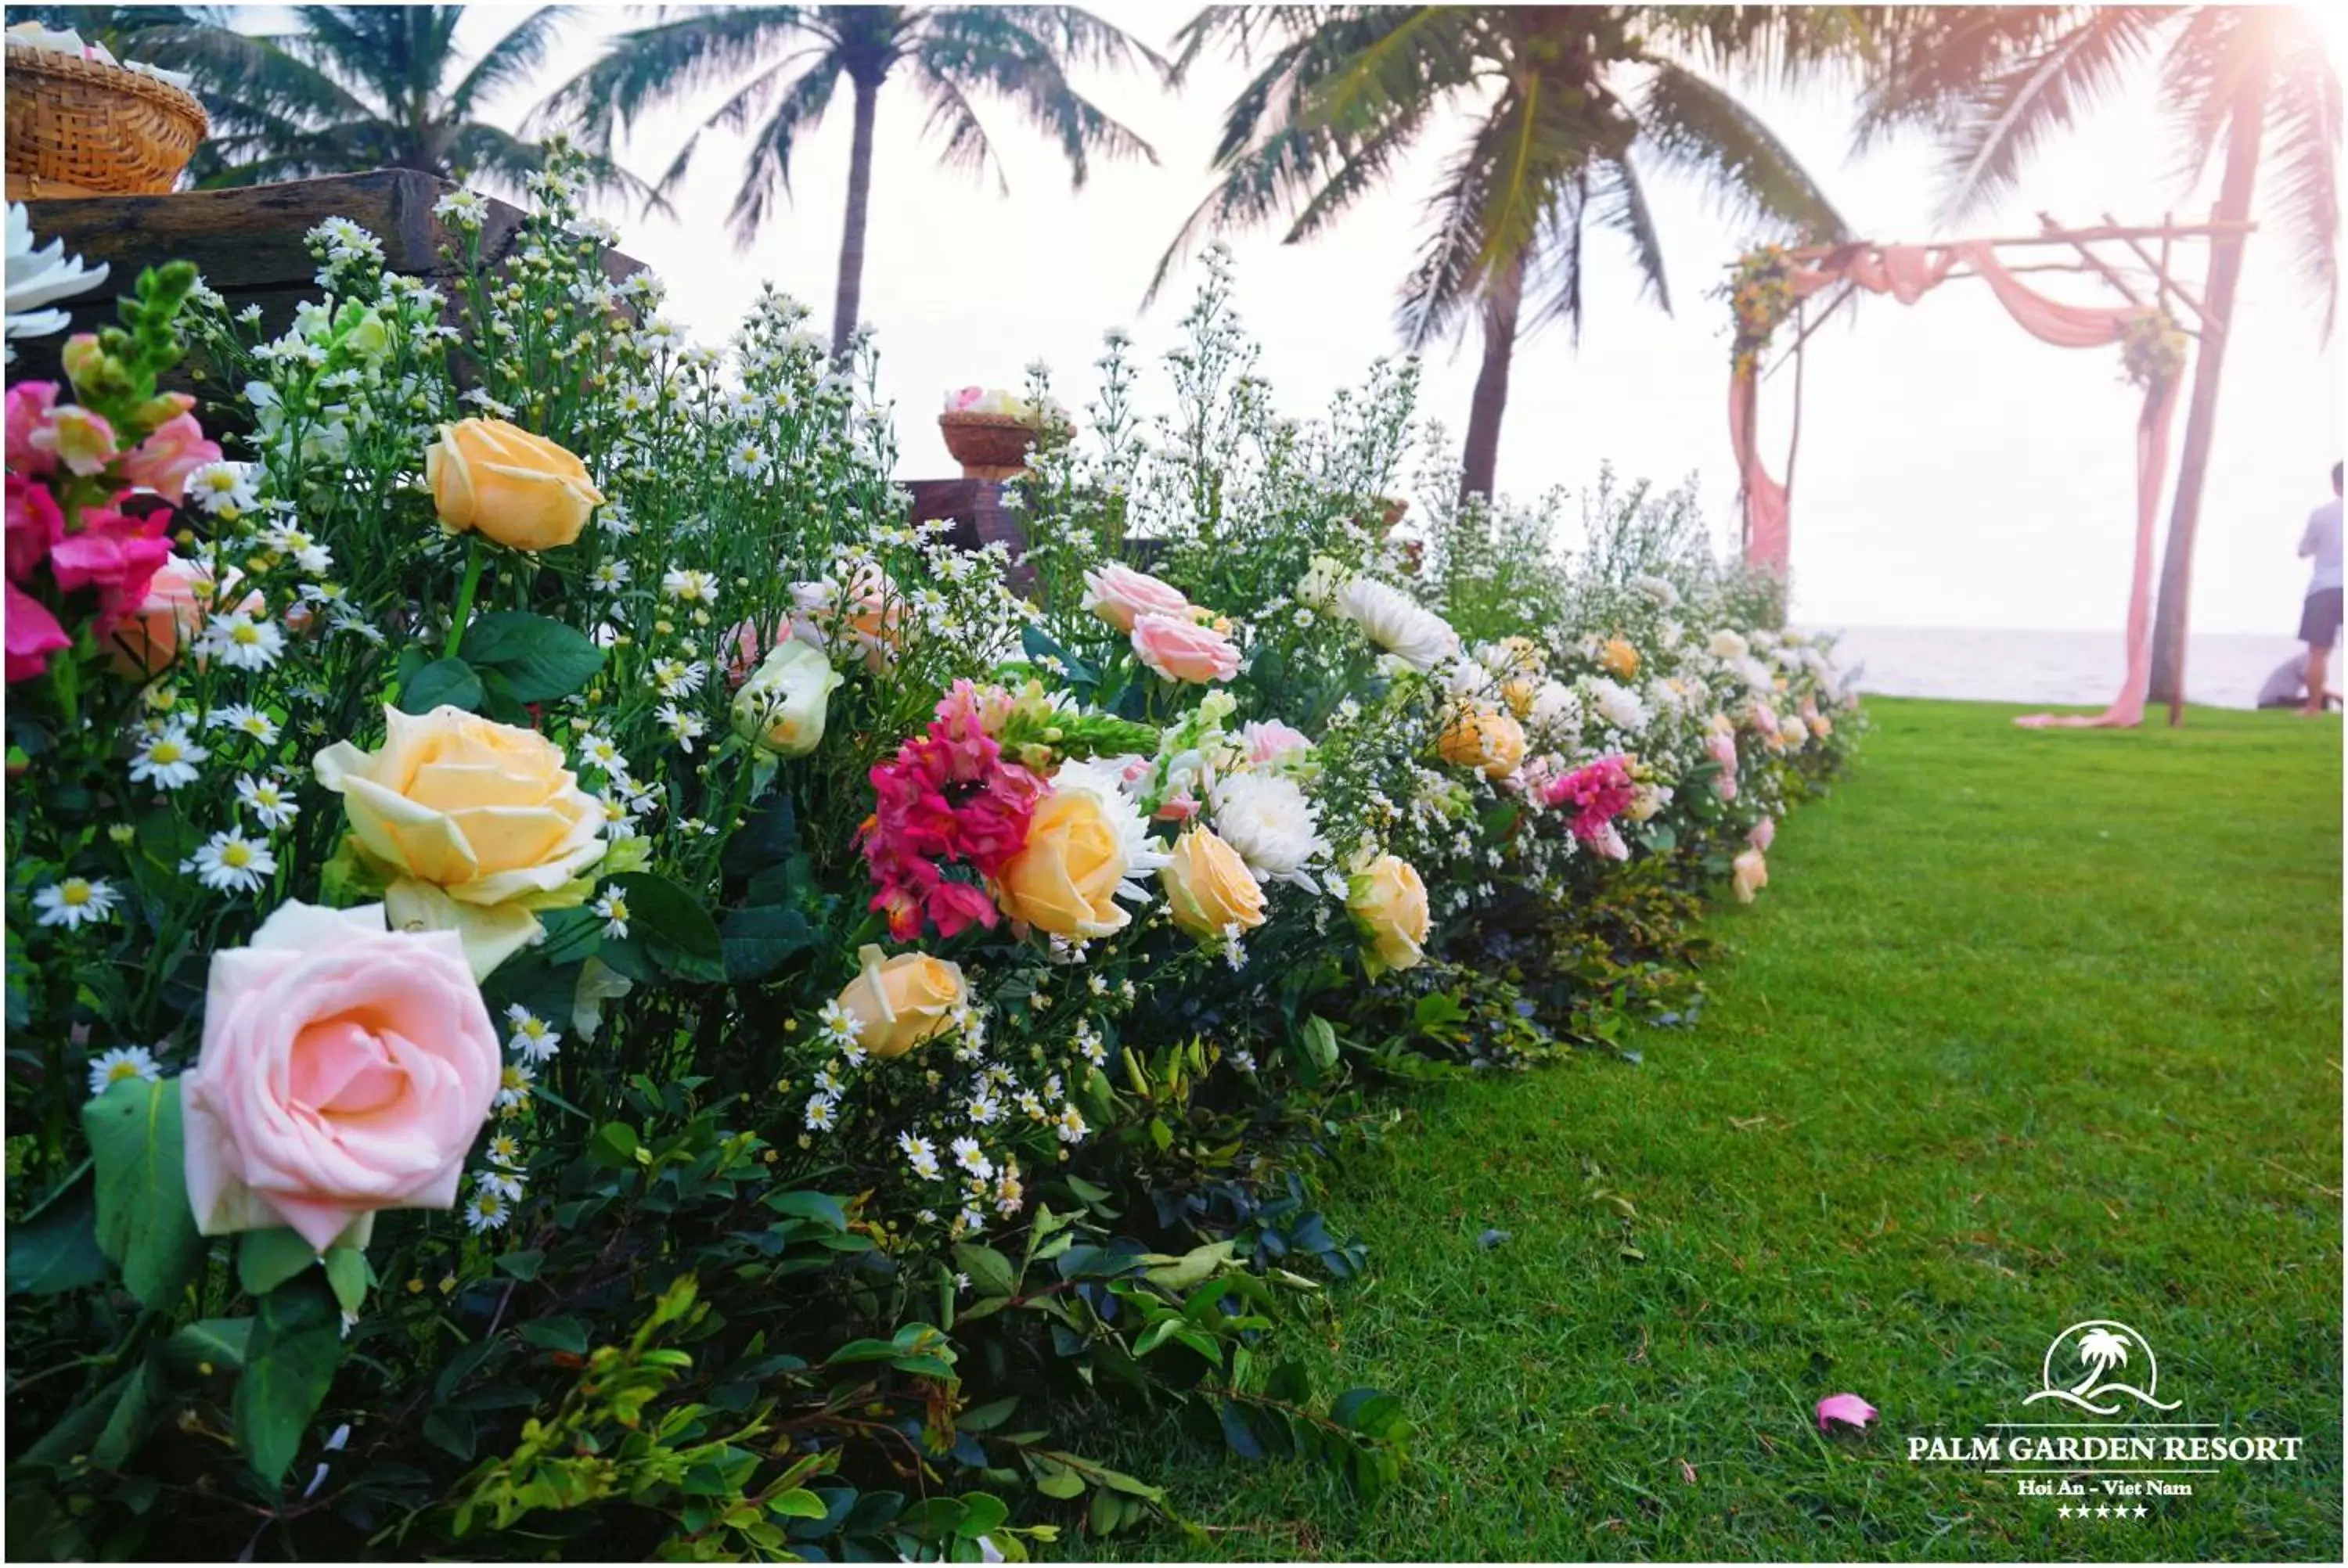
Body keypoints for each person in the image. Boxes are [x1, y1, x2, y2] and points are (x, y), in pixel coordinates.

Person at [2296, 462, 2343, 716]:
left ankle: (2313, 707)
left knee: (2318, 652)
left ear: (2335, 486)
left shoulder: (2321, 515)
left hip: (2325, 588)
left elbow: (2304, 550)